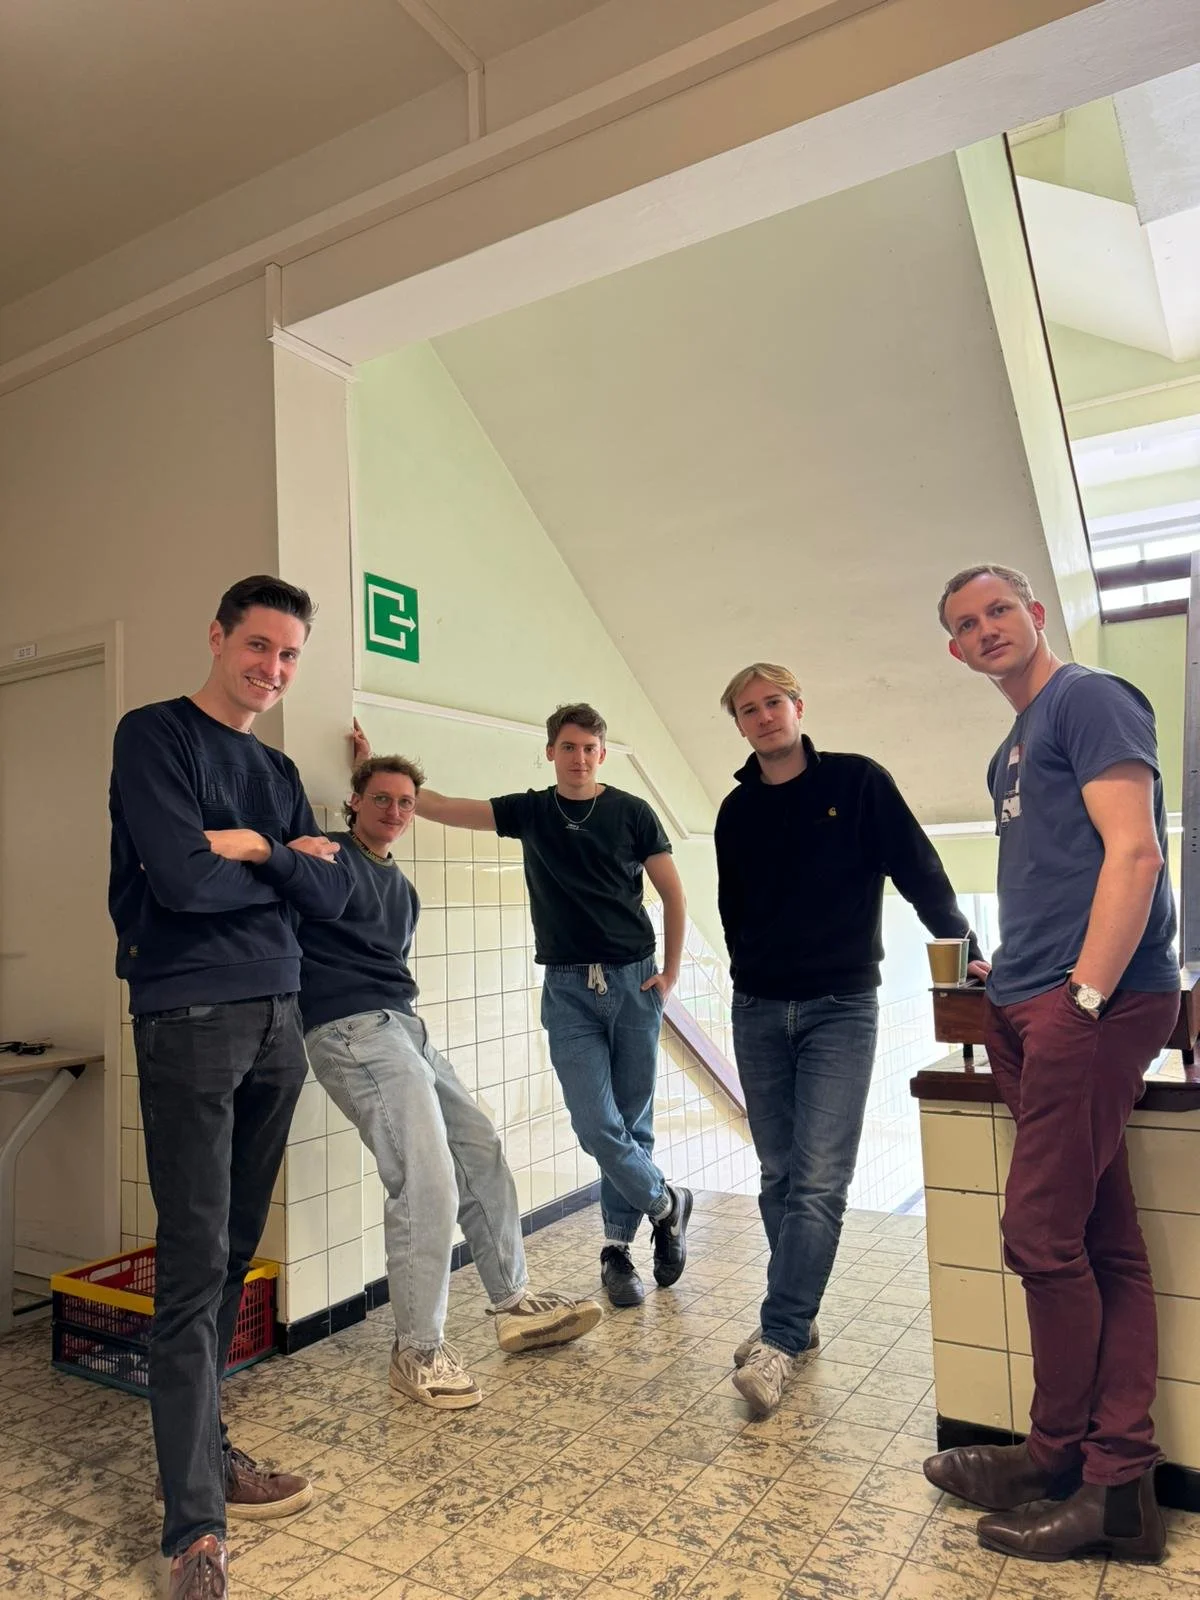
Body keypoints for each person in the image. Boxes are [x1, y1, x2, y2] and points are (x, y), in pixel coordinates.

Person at [924, 564, 1179, 1565]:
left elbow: (1137, 856)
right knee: (1095, 1236)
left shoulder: (1093, 697)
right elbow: (1054, 873)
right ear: (953, 650)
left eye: (999, 609)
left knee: (1037, 1234)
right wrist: (1010, 975)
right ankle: (1081, 1467)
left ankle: (1097, 1470)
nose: (986, 629)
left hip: (1094, 1002)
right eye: (965, 624)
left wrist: (1079, 995)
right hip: (1030, 1001)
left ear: (1035, 612)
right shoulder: (1009, 751)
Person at [109, 576, 354, 1600]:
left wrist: (255, 846)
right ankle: (193, 1531)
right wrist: (283, 864)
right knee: (191, 1262)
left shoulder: (276, 768)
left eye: (290, 655)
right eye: (259, 646)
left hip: (277, 1019)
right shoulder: (153, 735)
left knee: (230, 1263)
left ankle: (212, 1457)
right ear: (217, 636)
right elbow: (177, 879)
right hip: (192, 1017)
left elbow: (335, 885)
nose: (273, 669)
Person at [351, 704, 692, 1310]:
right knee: (597, 1125)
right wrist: (383, 781)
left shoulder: (631, 812)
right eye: (568, 746)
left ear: (602, 754)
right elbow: (448, 808)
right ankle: (667, 1204)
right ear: (550, 752)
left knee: (632, 1125)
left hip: (635, 982)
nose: (579, 757)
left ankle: (617, 1249)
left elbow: (670, 890)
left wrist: (669, 972)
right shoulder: (533, 811)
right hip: (566, 990)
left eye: (589, 747)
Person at [714, 663, 984, 1418]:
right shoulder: (737, 810)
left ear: (799, 707)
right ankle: (796, 1314)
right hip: (759, 1007)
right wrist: (749, 975)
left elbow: (917, 869)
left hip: (841, 1006)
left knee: (821, 1178)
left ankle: (779, 1334)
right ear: (737, 725)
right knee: (776, 1173)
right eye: (748, 709)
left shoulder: (859, 784)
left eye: (774, 703)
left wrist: (962, 944)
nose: (764, 717)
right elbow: (732, 906)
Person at [299, 748, 603, 1408]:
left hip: (405, 1027)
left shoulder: (402, 890)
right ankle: (417, 1351)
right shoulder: (326, 856)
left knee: (478, 1146)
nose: (396, 811)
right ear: (355, 802)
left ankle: (514, 1301)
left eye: (407, 802)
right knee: (425, 1175)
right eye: (381, 798)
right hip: (349, 1029)